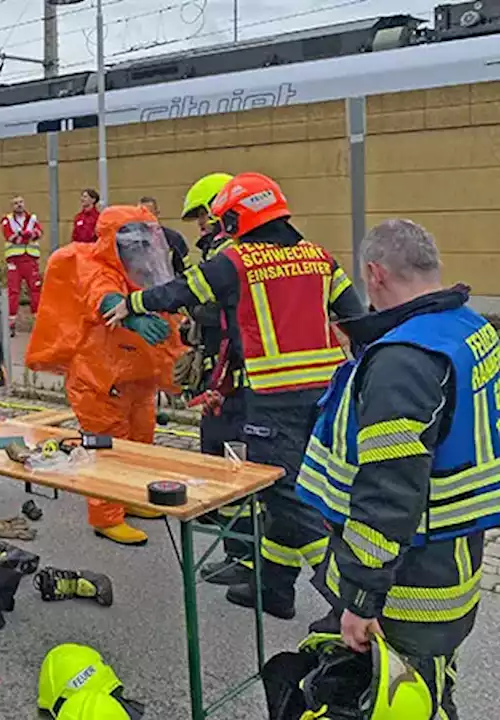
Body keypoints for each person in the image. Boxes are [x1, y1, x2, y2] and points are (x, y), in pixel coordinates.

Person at [104, 172, 366, 619]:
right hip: (324, 397)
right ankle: (275, 589)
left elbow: (181, 292)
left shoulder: (237, 261)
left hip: (270, 397)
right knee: (290, 495)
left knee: (289, 498)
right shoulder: (320, 258)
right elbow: (355, 317)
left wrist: (132, 304)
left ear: (236, 217)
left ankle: (352, 605)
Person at [297, 219, 500, 718]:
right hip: (452, 556)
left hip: (409, 583)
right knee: (431, 685)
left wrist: (361, 599)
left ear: (374, 273)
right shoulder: (469, 328)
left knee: (404, 700)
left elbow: (389, 493)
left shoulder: (403, 359)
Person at [57, 205, 185, 546]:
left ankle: (130, 498)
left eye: (147, 241)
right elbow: (102, 297)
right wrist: (130, 317)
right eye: (135, 241)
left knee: (140, 441)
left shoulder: (142, 272)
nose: (142, 248)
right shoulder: (97, 269)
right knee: (107, 449)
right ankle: (106, 516)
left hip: (136, 375)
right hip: (102, 379)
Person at [177, 173, 258, 587]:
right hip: (227, 374)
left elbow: (228, 312)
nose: (200, 227)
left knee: (231, 462)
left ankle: (242, 557)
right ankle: (240, 551)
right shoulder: (233, 252)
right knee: (222, 455)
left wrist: (193, 313)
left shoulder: (230, 256)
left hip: (232, 380)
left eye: (202, 217)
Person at [0, 195, 44, 337]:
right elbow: (10, 237)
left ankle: (38, 323)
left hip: (30, 261)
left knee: (35, 290)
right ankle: (11, 324)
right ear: (12, 206)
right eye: (16, 203)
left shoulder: (32, 219)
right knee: (13, 293)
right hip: (15, 262)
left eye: (21, 202)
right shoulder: (7, 220)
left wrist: (23, 235)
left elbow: (38, 233)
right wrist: (27, 235)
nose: (19, 205)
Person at [138, 196, 189, 275]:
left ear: (157, 214)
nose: (145, 219)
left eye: (149, 214)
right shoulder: (133, 242)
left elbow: (185, 269)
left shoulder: (173, 239)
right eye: (141, 215)